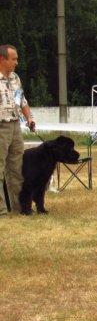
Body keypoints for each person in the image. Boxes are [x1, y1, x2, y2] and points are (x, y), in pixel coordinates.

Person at [1, 44, 35, 215]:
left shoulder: (15, 78)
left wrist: (29, 118)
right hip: (0, 126)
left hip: (15, 125)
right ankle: (1, 210)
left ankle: (19, 208)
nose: (16, 62)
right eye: (13, 59)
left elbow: (21, 100)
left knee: (16, 168)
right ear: (2, 59)